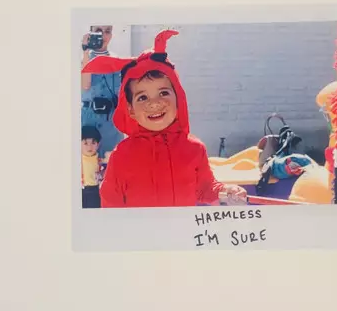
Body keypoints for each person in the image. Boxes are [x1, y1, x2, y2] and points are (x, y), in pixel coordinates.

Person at [81, 29, 248, 208]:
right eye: (142, 97)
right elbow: (111, 206)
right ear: (130, 109)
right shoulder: (121, 156)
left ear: (178, 98)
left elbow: (206, 188)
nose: (154, 103)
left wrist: (226, 192)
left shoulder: (194, 149)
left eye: (163, 93)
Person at [81, 25, 123, 157]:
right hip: (90, 118)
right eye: (98, 31)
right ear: (91, 33)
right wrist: (86, 52)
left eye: (107, 31)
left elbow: (120, 92)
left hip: (111, 119)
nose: (103, 35)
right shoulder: (84, 59)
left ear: (111, 35)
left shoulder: (116, 60)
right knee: (88, 162)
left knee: (111, 160)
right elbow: (85, 85)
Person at [81, 125, 105, 208]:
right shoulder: (76, 160)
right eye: (85, 143)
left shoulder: (101, 161)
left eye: (93, 143)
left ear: (98, 144)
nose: (89, 147)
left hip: (96, 191)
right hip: (82, 191)